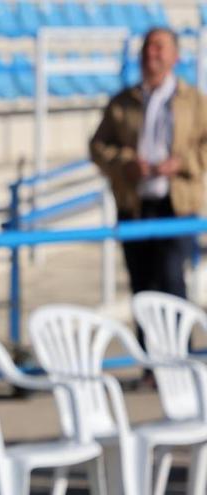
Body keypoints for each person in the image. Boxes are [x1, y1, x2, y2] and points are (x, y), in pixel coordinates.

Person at [90, 27, 207, 345]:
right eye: (147, 48)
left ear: (175, 56)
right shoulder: (122, 102)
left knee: (170, 279)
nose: (151, 54)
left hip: (177, 206)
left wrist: (181, 163)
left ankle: (178, 354)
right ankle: (149, 362)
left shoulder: (194, 101)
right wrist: (126, 162)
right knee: (142, 285)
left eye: (159, 48)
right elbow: (99, 146)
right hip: (135, 205)